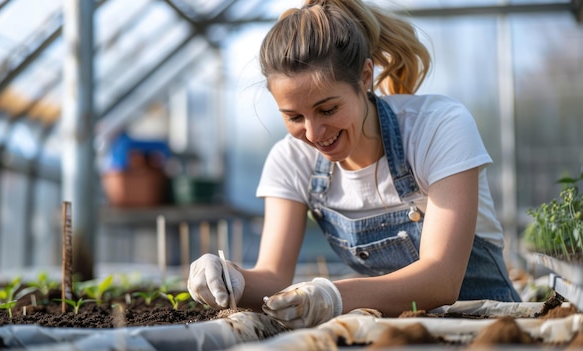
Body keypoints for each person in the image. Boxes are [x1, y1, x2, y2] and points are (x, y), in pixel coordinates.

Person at [187, 0, 521, 329]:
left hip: (495, 332)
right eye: (293, 117)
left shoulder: (437, 127)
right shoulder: (291, 160)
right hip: (395, 336)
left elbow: (441, 278)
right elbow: (273, 275)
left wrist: (335, 295)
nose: (314, 133)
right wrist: (232, 278)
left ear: (364, 77)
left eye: (328, 109)